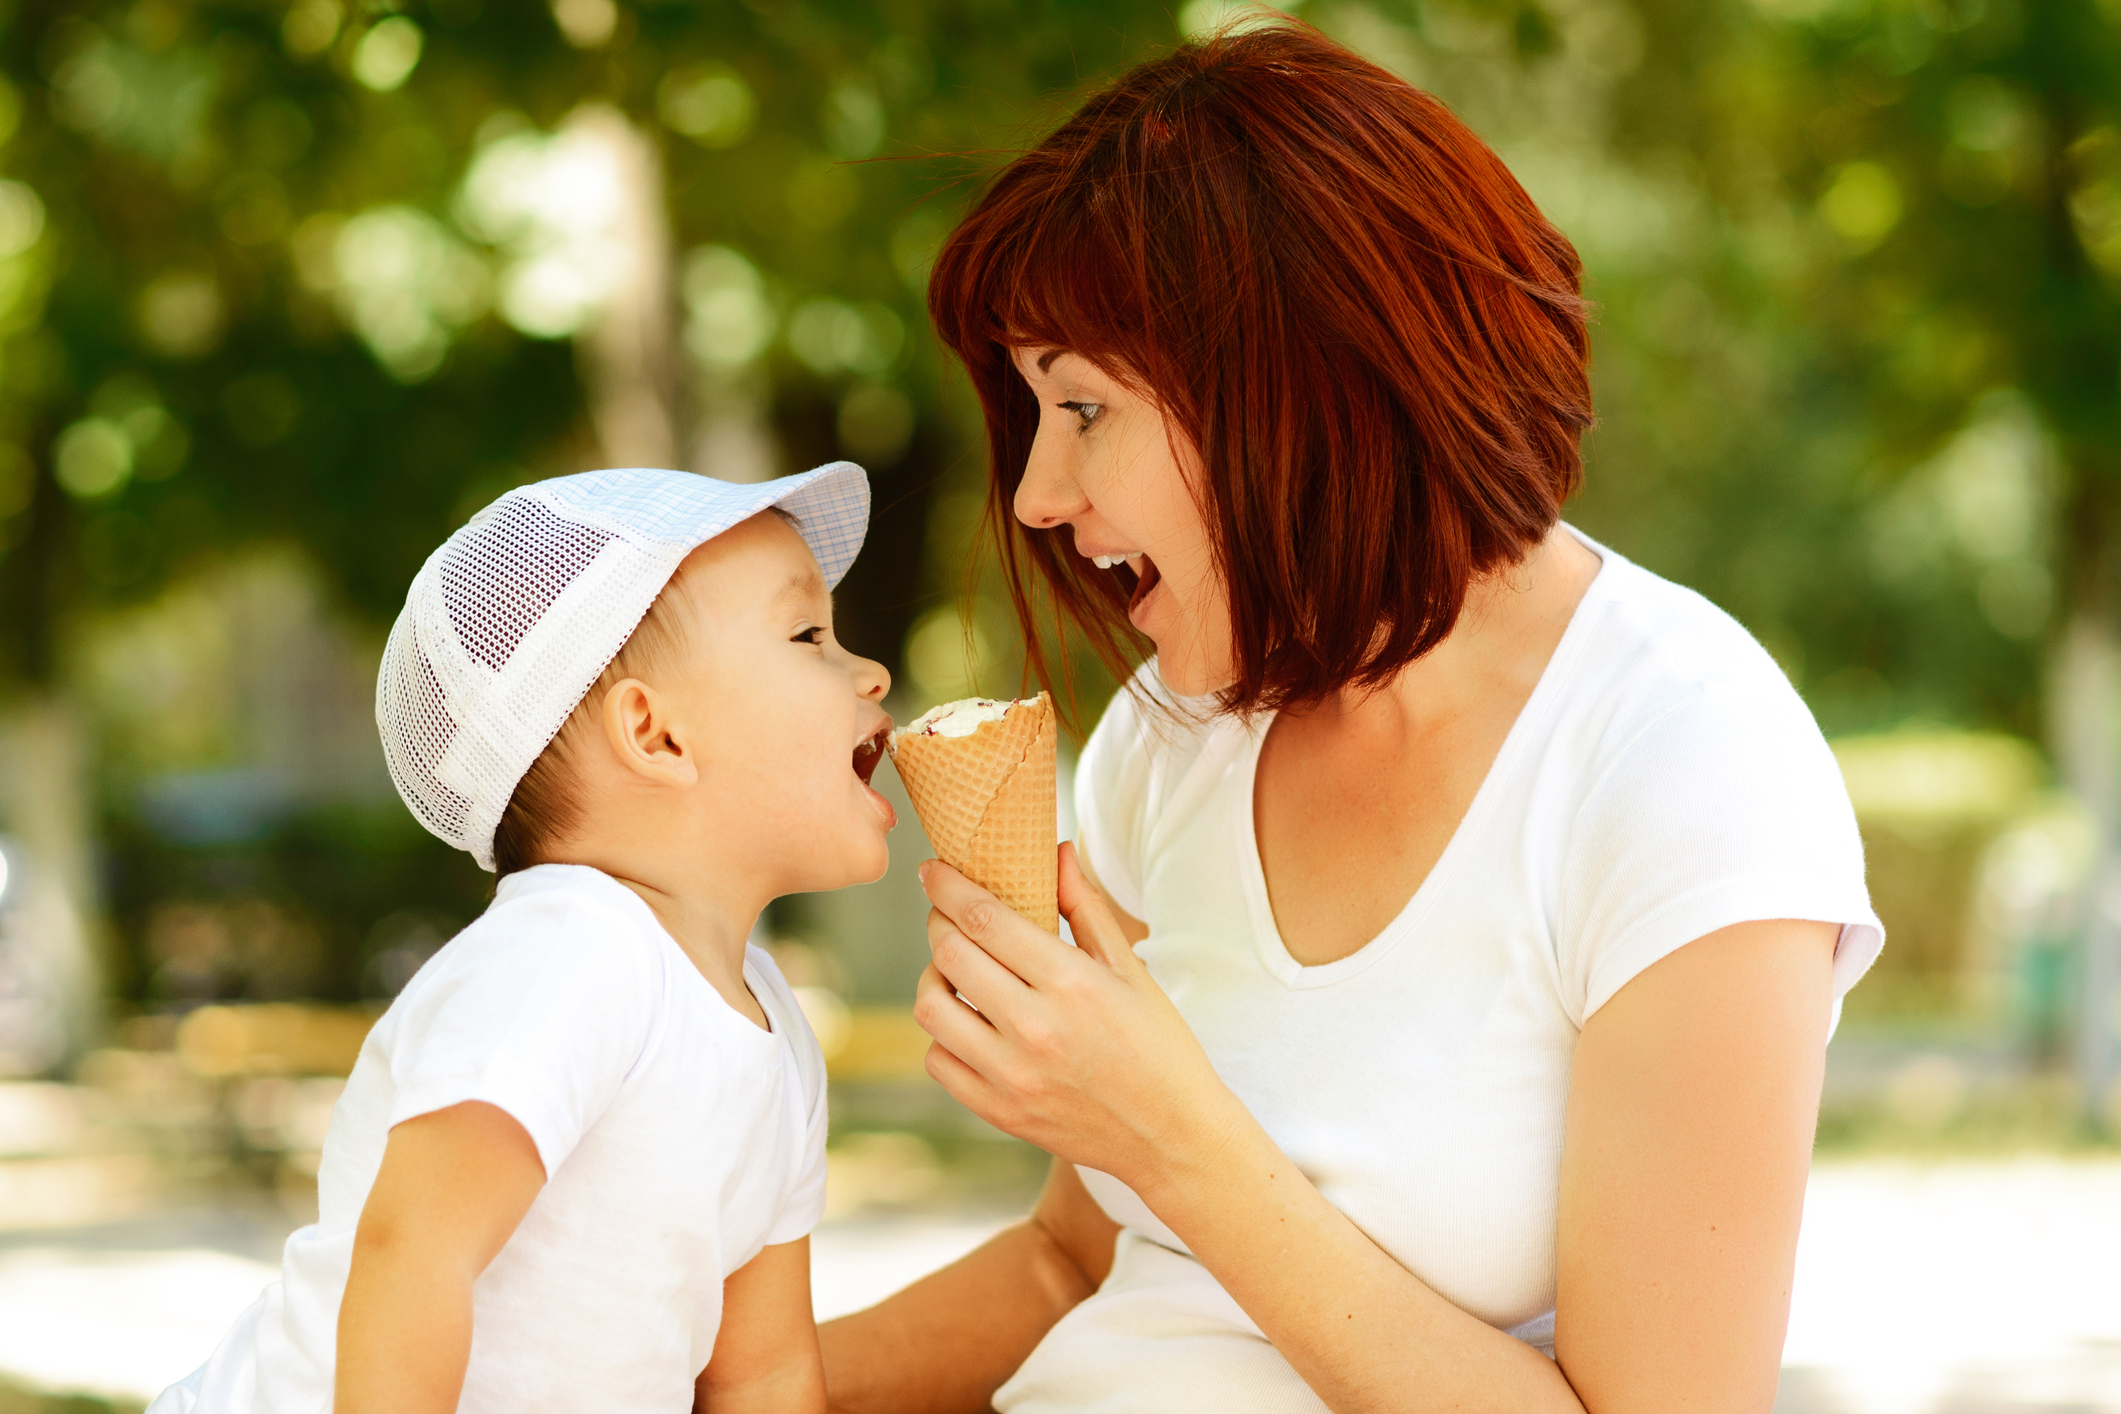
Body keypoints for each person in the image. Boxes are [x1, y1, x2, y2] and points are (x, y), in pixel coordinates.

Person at [819, 22, 1882, 1414]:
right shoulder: (1172, 737)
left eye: (1081, 403)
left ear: (1297, 383)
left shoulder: (1678, 758)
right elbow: (1062, 1270)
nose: (1033, 494)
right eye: (1031, 412)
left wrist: (1176, 1133)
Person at [149, 463, 898, 1414]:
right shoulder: (571, 954)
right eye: (808, 636)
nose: (870, 670)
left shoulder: (776, 1028)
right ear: (655, 734)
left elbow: (762, 1371)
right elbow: (413, 1254)